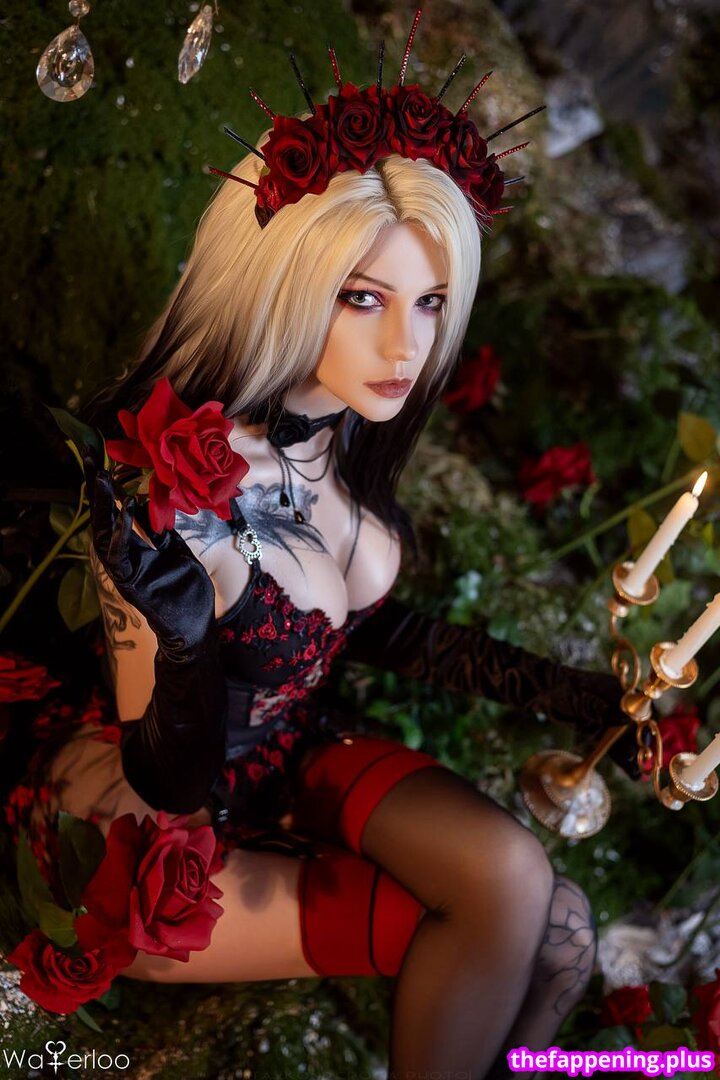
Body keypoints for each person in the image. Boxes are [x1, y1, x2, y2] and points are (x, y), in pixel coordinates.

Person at [2, 22, 639, 1078]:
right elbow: (168, 777)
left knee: (542, 908)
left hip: (291, 749)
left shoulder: (339, 425)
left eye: (431, 304)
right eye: (364, 298)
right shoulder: (177, 487)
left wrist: (566, 693)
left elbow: (362, 626)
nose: (406, 347)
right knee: (524, 930)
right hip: (164, 833)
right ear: (286, 282)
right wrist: (185, 637)